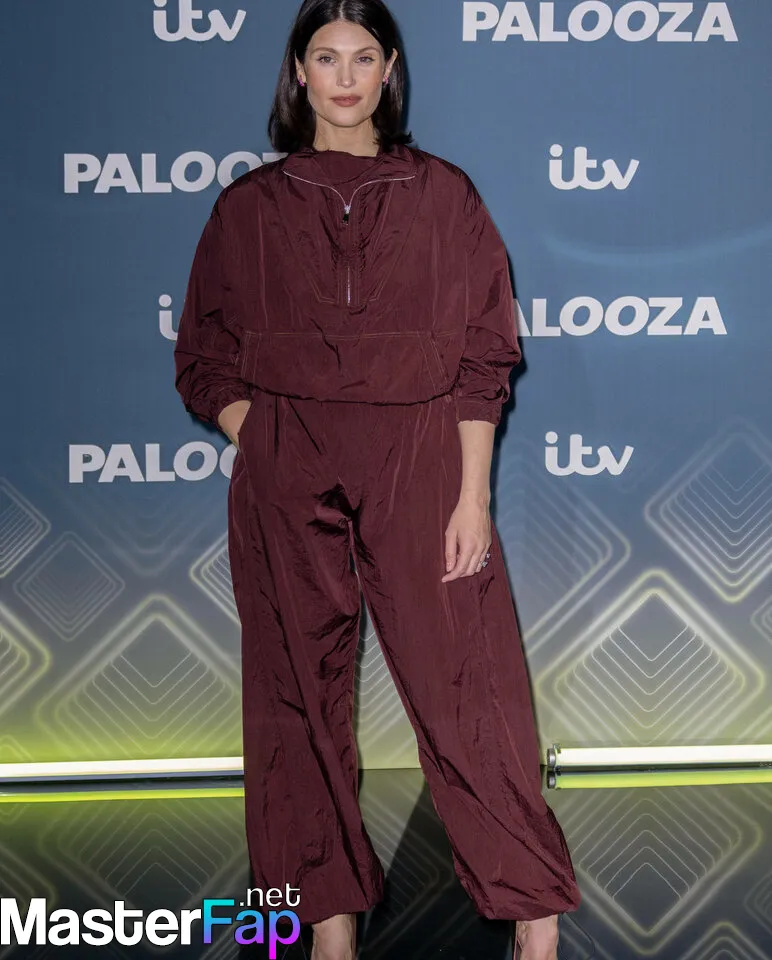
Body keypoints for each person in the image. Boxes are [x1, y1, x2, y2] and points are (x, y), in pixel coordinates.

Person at [173, 1, 581, 957]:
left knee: (467, 686)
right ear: (299, 72)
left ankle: (535, 912)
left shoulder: (445, 196)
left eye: (364, 57)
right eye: (327, 57)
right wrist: (262, 436)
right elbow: (204, 356)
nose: (346, 77)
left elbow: (485, 353)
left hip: (422, 453)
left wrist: (472, 494)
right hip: (288, 459)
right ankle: (327, 925)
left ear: (390, 70)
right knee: (293, 697)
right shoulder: (248, 207)